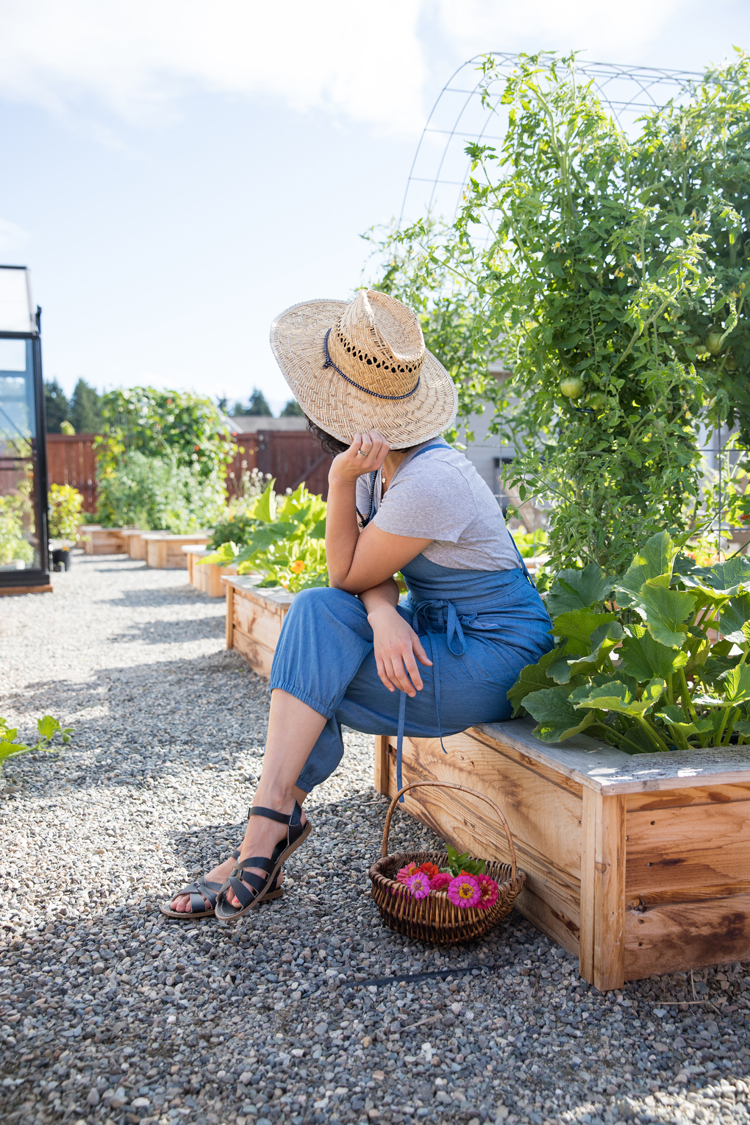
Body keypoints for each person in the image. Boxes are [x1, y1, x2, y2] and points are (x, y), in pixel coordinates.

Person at [162, 289, 552, 920]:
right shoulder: (380, 465)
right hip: (433, 633)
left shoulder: (429, 478)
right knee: (314, 614)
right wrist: (383, 614)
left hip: (496, 656)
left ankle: (266, 829)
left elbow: (347, 567)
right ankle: (273, 819)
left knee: (309, 671)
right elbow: (354, 582)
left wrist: (338, 482)